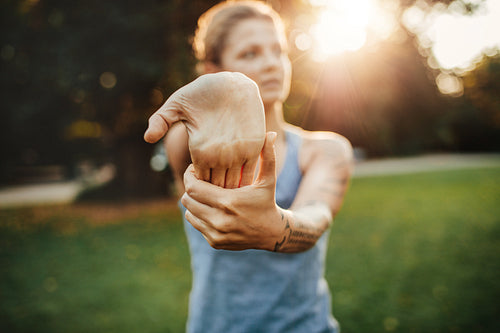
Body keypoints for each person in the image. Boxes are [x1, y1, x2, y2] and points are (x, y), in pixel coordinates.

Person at [144, 1, 353, 332]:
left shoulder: (325, 150)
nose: (271, 63)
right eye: (250, 54)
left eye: (277, 50)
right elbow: (182, 129)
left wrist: (275, 227)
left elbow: (315, 218)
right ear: (214, 71)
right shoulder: (191, 147)